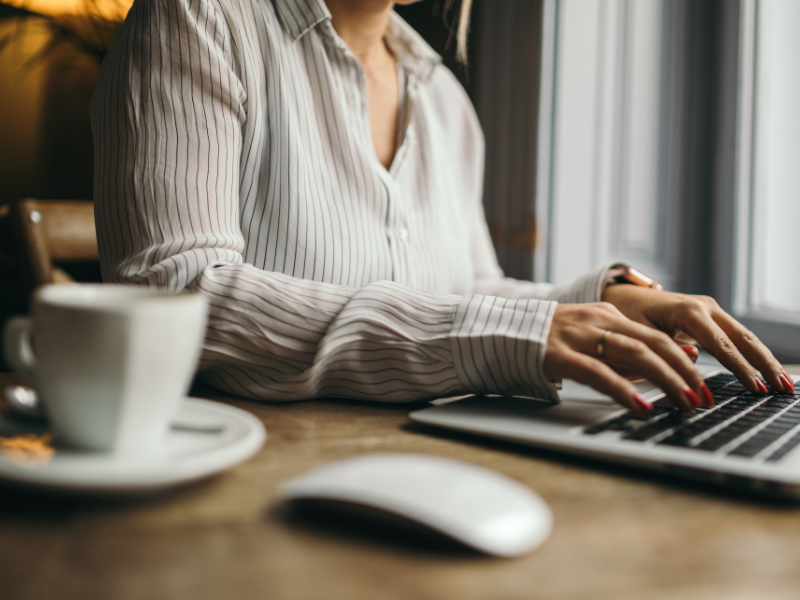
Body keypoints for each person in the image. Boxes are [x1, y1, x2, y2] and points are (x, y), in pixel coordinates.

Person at [90, 0, 794, 412]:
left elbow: (461, 292)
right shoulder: (198, 21)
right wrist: (506, 335)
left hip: (419, 464)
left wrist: (601, 301)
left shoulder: (444, 98)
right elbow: (175, 293)